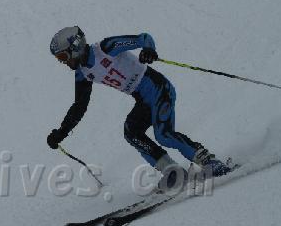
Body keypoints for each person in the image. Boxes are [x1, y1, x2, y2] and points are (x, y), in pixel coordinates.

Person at [47, 26, 231, 188]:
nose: (63, 62)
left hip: (159, 89)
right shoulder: (83, 73)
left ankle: (209, 162)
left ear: (75, 46)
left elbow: (143, 38)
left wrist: (148, 49)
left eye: (63, 56)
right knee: (132, 132)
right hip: (143, 99)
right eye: (59, 58)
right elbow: (79, 105)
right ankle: (172, 172)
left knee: (164, 135)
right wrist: (62, 132)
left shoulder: (106, 48)